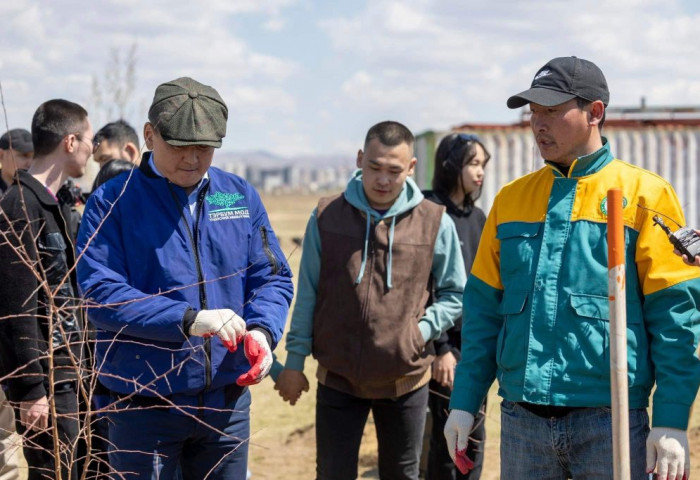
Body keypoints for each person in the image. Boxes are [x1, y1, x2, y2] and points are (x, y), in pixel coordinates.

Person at [444, 56, 700, 480]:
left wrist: (671, 419)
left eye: (551, 110)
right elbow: (482, 313)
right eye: (533, 112)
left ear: (594, 112)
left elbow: (676, 319)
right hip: (522, 424)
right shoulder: (511, 200)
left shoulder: (645, 196)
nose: (537, 123)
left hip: (610, 421)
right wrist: (464, 401)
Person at [76, 76, 293, 479]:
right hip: (145, 406)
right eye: (180, 146)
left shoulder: (237, 196)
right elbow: (100, 292)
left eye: (205, 148)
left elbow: (273, 276)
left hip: (226, 406)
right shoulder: (113, 202)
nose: (193, 159)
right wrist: (187, 319)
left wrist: (263, 330)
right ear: (149, 135)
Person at [275, 121, 466, 480]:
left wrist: (419, 331)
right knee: (331, 474)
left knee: (401, 474)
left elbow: (456, 294)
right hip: (338, 378)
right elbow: (309, 293)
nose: (382, 179)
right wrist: (295, 361)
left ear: (410, 168)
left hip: (406, 380)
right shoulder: (326, 216)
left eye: (393, 171)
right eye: (374, 167)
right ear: (360, 158)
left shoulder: (434, 222)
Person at [0, 99, 94, 480]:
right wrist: (32, 388)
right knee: (56, 472)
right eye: (88, 138)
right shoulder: (20, 207)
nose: (92, 148)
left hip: (74, 371)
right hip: (49, 381)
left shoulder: (55, 205)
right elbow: (15, 306)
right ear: (70, 142)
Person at [423, 133, 490, 480]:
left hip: (475, 349)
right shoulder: (427, 210)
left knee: (475, 439)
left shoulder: (478, 217)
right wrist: (441, 348)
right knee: (443, 444)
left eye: (483, 164)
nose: (480, 172)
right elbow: (424, 286)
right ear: (451, 165)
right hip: (441, 351)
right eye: (472, 163)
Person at [0, 128, 34, 195]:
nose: (31, 163)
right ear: (1, 155)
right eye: (24, 155)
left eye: (35, 156)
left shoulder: (39, 190)